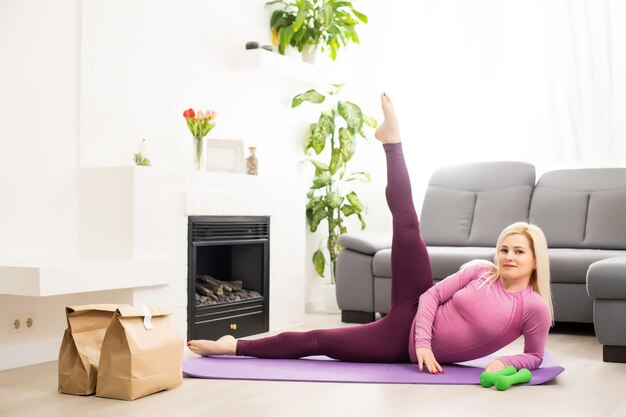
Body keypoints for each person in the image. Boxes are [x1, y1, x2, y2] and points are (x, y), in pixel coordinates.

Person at [188, 93, 554, 374]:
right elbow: (429, 300)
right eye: (504, 248)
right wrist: (424, 345)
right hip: (413, 313)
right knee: (408, 226)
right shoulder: (478, 271)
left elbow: (535, 355)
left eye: (519, 252)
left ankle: (231, 347)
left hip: (397, 343)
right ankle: (392, 142)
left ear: (535, 260)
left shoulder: (533, 308)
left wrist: (509, 365)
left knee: (318, 340)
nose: (507, 256)